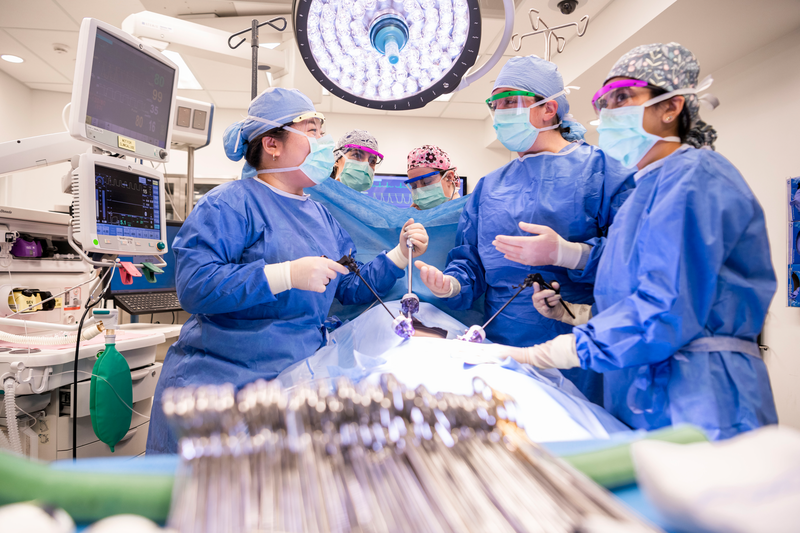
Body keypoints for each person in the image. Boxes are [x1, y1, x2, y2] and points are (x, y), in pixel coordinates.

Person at [490, 43, 777, 440]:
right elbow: (635, 294)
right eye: (602, 102)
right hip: (642, 388)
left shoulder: (697, 179)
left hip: (703, 397)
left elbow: (667, 309)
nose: (608, 112)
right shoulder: (645, 190)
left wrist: (547, 353)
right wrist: (573, 315)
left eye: (622, 96)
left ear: (671, 107)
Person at [146, 88, 429, 453]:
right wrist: (284, 275)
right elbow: (195, 286)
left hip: (295, 380)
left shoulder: (320, 216)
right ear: (272, 144)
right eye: (311, 131)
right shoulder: (230, 203)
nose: (323, 143)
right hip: (223, 390)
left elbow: (349, 288)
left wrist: (398, 256)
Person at [415, 56, 636, 404]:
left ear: (548, 109)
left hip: (578, 347)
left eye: (509, 102)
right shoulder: (488, 188)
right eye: (495, 104)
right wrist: (452, 284)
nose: (500, 113)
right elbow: (469, 261)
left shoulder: (602, 171)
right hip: (501, 345)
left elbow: (634, 257)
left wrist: (569, 253)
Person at [404, 145, 462, 210]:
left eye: (426, 182)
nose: (420, 191)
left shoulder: (467, 215)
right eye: (414, 185)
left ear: (449, 177)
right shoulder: (418, 216)